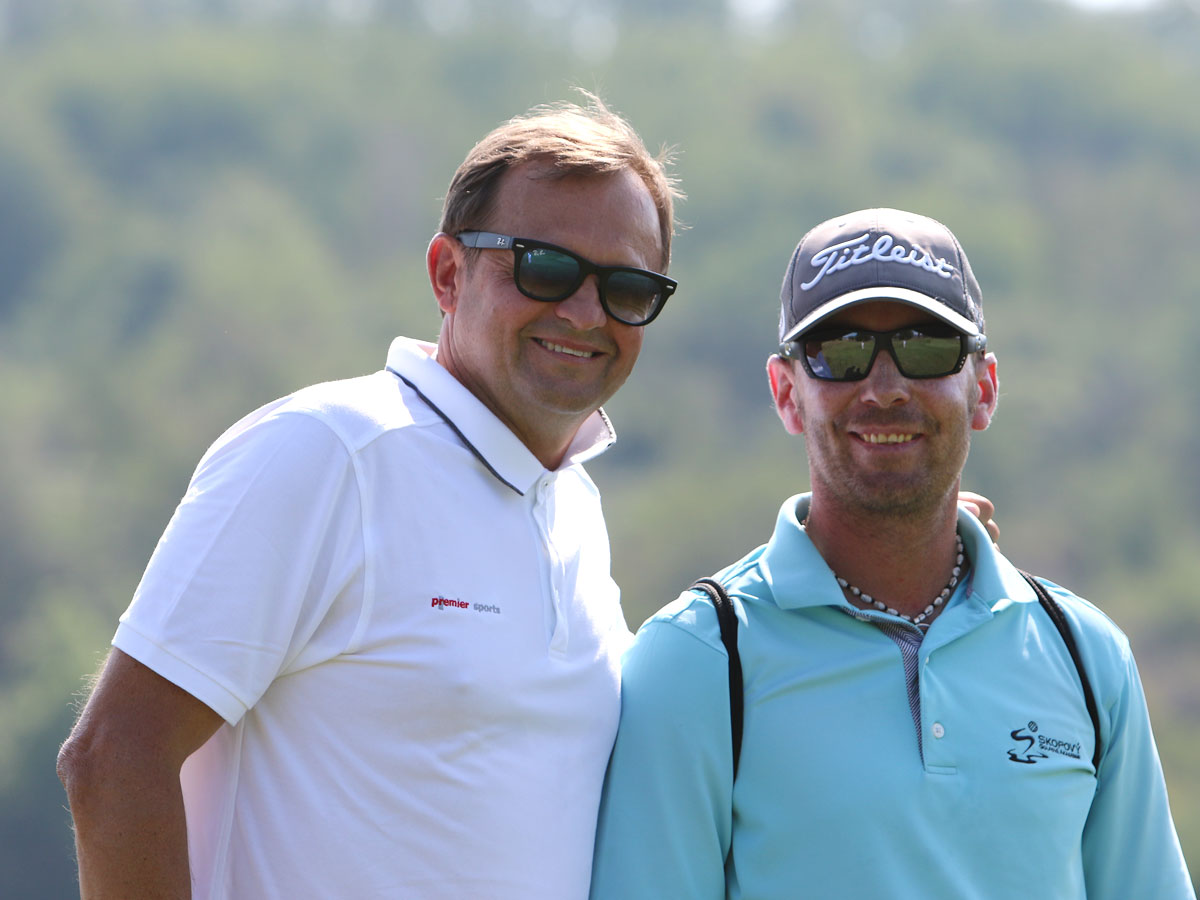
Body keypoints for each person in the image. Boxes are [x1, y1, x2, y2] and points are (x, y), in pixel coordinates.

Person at [56, 93, 682, 900]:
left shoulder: (575, 505)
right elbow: (113, 758)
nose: (586, 312)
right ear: (448, 274)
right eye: (545, 267)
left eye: (627, 287)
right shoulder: (327, 452)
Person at [589, 208, 1195, 899]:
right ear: (787, 394)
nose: (884, 388)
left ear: (983, 390)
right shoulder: (697, 659)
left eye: (926, 347)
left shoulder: (1086, 654)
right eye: (841, 352)